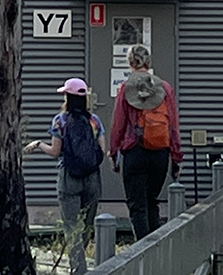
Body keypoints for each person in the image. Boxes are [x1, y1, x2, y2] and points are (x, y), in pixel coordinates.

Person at [24, 77, 107, 275]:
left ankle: (79, 269)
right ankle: (81, 263)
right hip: (92, 178)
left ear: (67, 98)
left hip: (68, 176)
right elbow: (102, 150)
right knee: (87, 224)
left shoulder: (60, 120)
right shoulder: (95, 121)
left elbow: (54, 151)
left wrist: (37, 144)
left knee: (71, 227)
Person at [109, 44, 182, 240]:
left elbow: (118, 123)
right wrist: (176, 157)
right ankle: (155, 251)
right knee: (152, 202)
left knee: (137, 206)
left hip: (135, 151)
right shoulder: (165, 88)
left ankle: (141, 253)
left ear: (130, 63)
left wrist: (113, 152)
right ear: (149, 62)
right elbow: (173, 124)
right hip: (160, 152)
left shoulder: (126, 88)